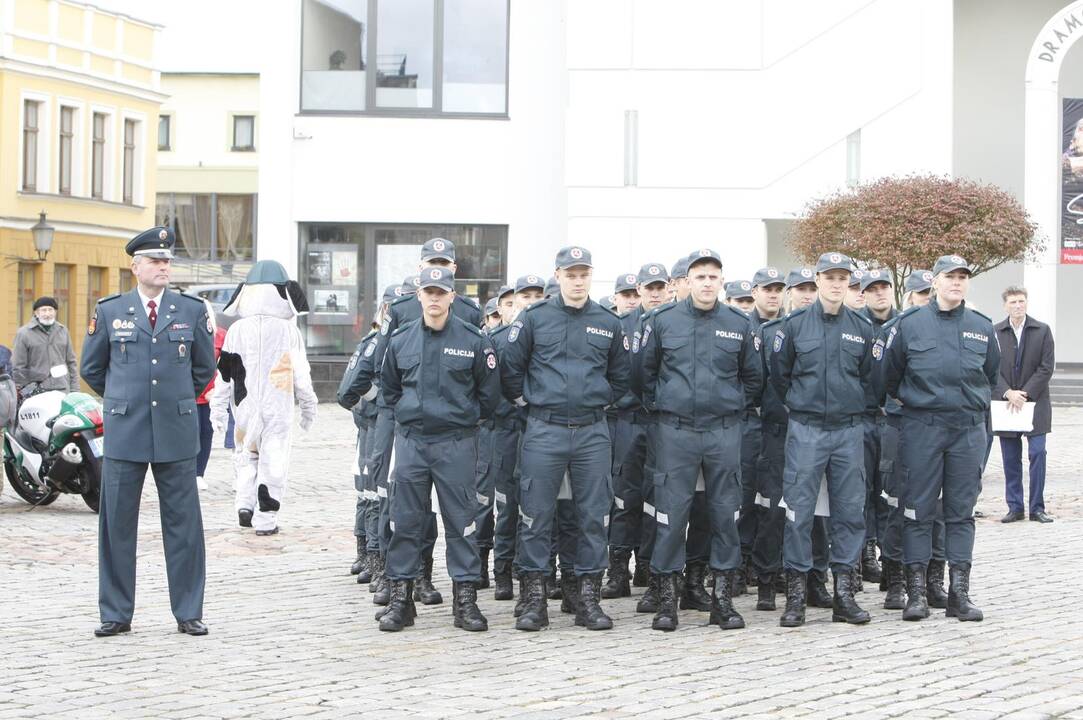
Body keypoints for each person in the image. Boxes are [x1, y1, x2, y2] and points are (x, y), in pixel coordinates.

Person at [80, 226, 216, 638]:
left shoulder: (190, 310)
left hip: (176, 430)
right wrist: (125, 400)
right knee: (116, 525)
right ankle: (116, 613)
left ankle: (188, 610)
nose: (163, 267)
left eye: (167, 261)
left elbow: (203, 367)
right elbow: (92, 368)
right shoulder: (110, 311)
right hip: (126, 430)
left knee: (184, 525)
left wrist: (174, 400)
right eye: (155, 261)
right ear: (135, 266)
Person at [340, 238, 483, 608]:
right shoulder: (401, 310)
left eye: (445, 263)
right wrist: (385, 429)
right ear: (420, 271)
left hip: (454, 434)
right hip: (406, 428)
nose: (439, 270)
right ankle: (398, 581)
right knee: (399, 508)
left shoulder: (468, 311)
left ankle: (432, 579)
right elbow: (383, 375)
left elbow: (485, 385)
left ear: (454, 271)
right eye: (432, 263)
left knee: (456, 513)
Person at [501, 245, 630, 632]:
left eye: (583, 274)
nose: (577, 280)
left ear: (591, 277)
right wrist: (531, 404)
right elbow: (510, 370)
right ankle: (535, 598)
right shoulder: (535, 318)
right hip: (545, 428)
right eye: (570, 274)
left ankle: (587, 597)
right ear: (557, 277)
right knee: (536, 515)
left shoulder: (608, 321)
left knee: (593, 515)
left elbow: (622, 376)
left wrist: (598, 402)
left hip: (592, 431)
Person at [637, 248, 761, 631]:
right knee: (672, 516)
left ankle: (722, 601)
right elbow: (643, 374)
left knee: (725, 514)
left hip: (723, 432)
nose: (707, 283)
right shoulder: (662, 321)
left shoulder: (738, 324)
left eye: (713, 276)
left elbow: (754, 378)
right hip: (676, 432)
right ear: (686, 282)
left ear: (721, 282)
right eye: (700, 276)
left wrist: (730, 406)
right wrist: (667, 405)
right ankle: (667, 602)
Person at [376, 266, 501, 632]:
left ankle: (465, 601)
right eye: (428, 291)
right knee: (405, 524)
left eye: (440, 292)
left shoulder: (474, 339)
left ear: (451, 296)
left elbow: (489, 395)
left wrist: (462, 419)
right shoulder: (400, 340)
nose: (434, 297)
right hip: (412, 443)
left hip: (456, 445)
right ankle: (402, 600)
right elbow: (389, 389)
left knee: (462, 524)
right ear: (419, 296)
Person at [877, 254, 999, 622]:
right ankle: (916, 593)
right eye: (950, 276)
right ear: (935, 280)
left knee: (961, 512)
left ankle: (959, 593)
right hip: (922, 428)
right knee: (917, 510)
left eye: (963, 276)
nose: (957, 282)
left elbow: (990, 375)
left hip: (966, 429)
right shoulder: (909, 324)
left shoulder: (981, 325)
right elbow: (887, 376)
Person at [770, 252, 876, 627]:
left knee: (849, 512)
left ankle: (843, 595)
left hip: (848, 430)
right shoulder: (794, 325)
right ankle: (796, 597)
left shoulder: (862, 328)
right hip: (807, 429)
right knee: (798, 512)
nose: (836, 284)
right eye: (829, 277)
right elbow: (779, 376)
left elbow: (870, 379)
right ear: (816, 281)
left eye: (842, 278)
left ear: (849, 283)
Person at [210, 261, 318, 536]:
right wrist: (308, 407)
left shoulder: (237, 330)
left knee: (246, 455)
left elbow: (224, 373)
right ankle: (266, 519)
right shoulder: (287, 331)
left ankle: (245, 505)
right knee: (274, 459)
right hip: (277, 407)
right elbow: (301, 373)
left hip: (243, 406)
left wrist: (218, 409)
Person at [603, 262, 670, 601]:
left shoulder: (674, 322)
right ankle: (618, 570)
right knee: (624, 496)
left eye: (660, 287)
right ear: (640, 291)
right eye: (649, 287)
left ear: (669, 288)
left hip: (662, 422)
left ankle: (652, 568)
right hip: (628, 420)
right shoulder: (621, 326)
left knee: (659, 498)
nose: (655, 293)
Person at [486, 274, 546, 603]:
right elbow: (490, 389)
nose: (530, 302)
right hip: (507, 430)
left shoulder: (549, 334)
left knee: (537, 507)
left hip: (539, 431)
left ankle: (532, 574)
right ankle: (503, 570)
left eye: (538, 296)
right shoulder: (497, 339)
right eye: (524, 297)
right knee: (507, 506)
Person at [993, 286, 1055, 524]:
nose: (1018, 306)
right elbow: (989, 368)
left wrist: (1025, 393)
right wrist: (1008, 392)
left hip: (1035, 403)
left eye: (1021, 301)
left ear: (1027, 303)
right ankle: (1015, 506)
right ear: (1005, 305)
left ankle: (1037, 507)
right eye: (1013, 302)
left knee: (1038, 453)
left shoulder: (1042, 330)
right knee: (1010, 457)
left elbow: (1046, 367)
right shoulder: (995, 332)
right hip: (1006, 404)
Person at [857, 269, 897, 584]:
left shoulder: (904, 325)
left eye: (884, 287)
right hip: (863, 418)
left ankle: (890, 554)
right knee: (862, 491)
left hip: (894, 420)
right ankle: (865, 552)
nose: (880, 293)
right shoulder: (856, 326)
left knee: (889, 490)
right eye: (873, 289)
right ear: (864, 294)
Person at [12, 296, 78, 395]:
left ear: (55, 312)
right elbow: (18, 366)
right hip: (35, 391)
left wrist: (74, 390)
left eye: (50, 310)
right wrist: (23, 391)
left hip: (61, 389)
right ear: (36, 313)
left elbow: (71, 362)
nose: (47, 314)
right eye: (43, 310)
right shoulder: (24, 333)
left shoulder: (63, 331)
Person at [195, 309, 226, 492]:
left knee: (206, 433)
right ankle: (187, 473)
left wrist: (218, 389)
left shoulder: (220, 335)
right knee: (190, 433)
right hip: (189, 392)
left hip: (210, 393)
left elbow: (227, 365)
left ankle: (199, 473)